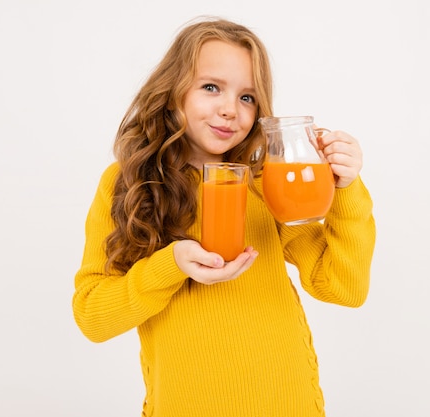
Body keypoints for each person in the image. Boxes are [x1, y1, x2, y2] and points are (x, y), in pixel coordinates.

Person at [72, 16, 376, 417]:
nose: (230, 110)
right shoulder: (128, 185)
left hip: (288, 405)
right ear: (172, 90)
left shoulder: (264, 185)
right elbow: (93, 317)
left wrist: (345, 190)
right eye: (211, 87)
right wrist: (171, 265)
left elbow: (343, 288)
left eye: (247, 97)